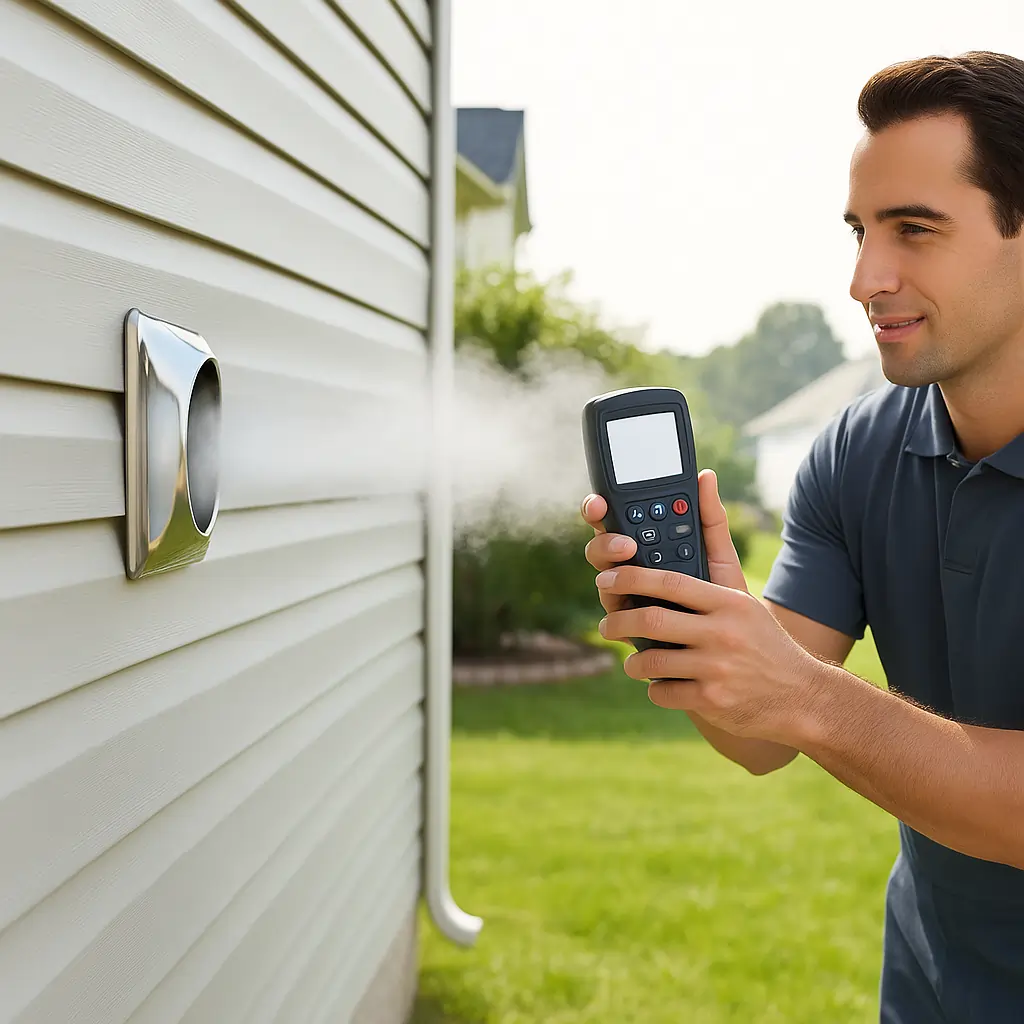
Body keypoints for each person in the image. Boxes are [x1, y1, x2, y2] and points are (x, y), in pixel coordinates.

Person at [581, 51, 1024, 1023]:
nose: (867, 277)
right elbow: (753, 738)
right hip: (932, 991)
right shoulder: (859, 452)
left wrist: (809, 696)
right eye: (861, 231)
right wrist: (701, 625)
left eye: (915, 230)